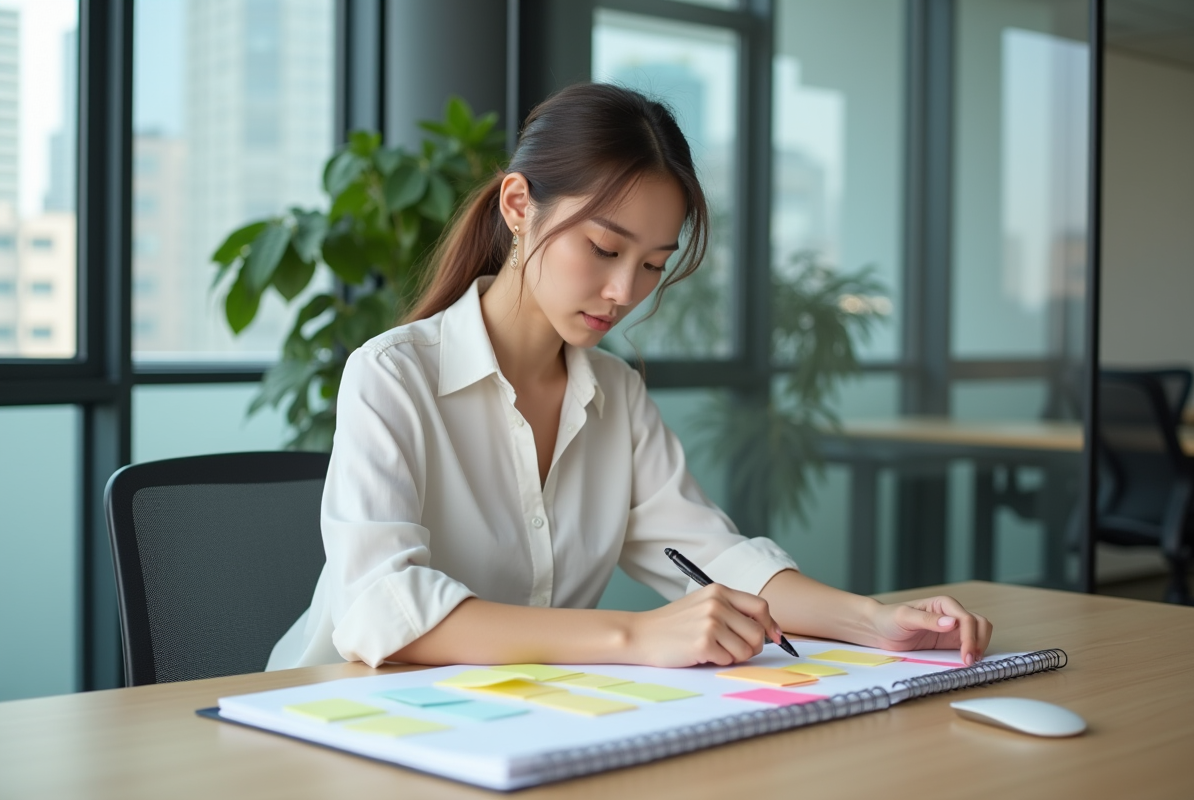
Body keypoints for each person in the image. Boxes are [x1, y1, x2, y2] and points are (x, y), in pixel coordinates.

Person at [267, 83, 992, 672]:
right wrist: (639, 638)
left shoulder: (615, 395)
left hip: (507, 726)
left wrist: (876, 621)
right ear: (519, 206)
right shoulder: (393, 376)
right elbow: (381, 605)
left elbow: (714, 558)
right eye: (604, 249)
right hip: (342, 723)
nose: (624, 292)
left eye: (651, 265)